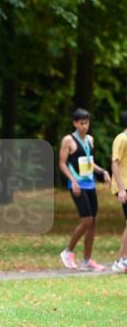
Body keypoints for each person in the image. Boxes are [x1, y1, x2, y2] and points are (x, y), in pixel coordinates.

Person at [58, 109, 110, 271]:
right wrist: (72, 180)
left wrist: (102, 171)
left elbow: (89, 162)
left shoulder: (90, 140)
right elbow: (62, 163)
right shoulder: (68, 140)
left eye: (87, 123)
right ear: (74, 123)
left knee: (93, 222)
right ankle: (68, 251)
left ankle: (87, 260)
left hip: (90, 184)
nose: (84, 126)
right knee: (86, 220)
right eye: (81, 123)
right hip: (77, 185)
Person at [110, 110, 127, 273]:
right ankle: (120, 260)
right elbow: (114, 163)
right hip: (124, 186)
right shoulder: (121, 139)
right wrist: (121, 189)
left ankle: (123, 259)